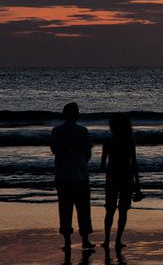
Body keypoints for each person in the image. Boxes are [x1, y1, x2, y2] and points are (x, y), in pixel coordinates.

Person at [51, 102, 94, 251]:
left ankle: (68, 242)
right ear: (76, 115)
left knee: (65, 209)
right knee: (83, 209)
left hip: (63, 175)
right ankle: (85, 240)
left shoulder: (57, 131)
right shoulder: (83, 131)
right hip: (79, 174)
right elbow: (88, 153)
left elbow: (55, 150)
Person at [100, 113, 141, 250]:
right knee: (123, 211)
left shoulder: (108, 142)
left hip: (112, 178)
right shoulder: (130, 142)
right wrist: (138, 185)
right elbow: (134, 164)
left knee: (110, 210)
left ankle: (106, 240)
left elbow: (102, 165)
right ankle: (118, 240)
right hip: (127, 178)